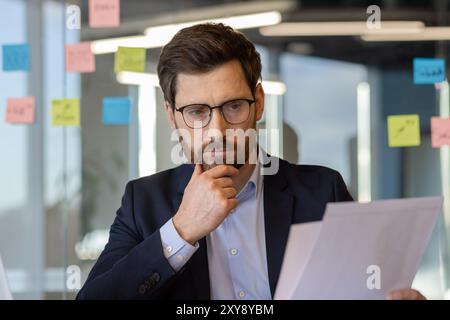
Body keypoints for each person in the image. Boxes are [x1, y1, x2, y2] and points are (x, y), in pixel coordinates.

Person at [77, 23, 425, 300]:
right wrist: (181, 230)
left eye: (233, 106)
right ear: (172, 115)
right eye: (197, 112)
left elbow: (362, 290)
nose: (217, 130)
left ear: (258, 101)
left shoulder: (322, 191)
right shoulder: (144, 202)